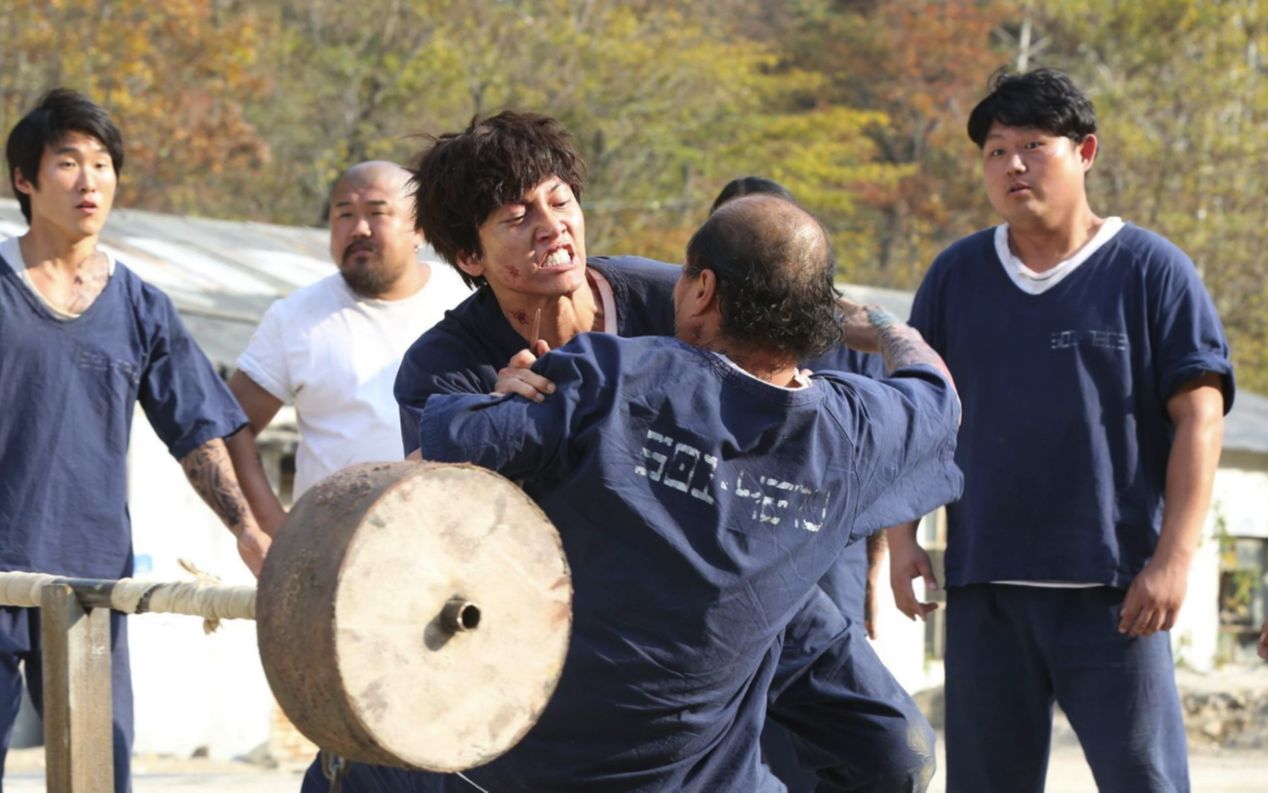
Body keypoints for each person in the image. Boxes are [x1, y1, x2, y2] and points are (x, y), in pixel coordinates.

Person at [378, 112, 939, 792]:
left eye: (560, 200)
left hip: (748, 588)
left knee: (899, 754)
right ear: (470, 256)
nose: (552, 224)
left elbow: (781, 299)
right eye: (516, 216)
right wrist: (488, 423)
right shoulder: (444, 370)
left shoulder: (659, 291)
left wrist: (862, 323)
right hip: (583, 622)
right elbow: (445, 521)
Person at [888, 68, 1233, 793]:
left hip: (1116, 590)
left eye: (1033, 145)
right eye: (994, 150)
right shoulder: (956, 275)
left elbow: (1201, 415)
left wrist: (1174, 558)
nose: (1012, 164)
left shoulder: (1152, 271)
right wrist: (901, 538)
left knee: (1147, 779)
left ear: (1086, 152)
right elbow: (914, 413)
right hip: (986, 586)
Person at [0, 89, 268, 792]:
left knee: (94, 772)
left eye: (102, 163)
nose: (90, 181)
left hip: (89, 580)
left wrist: (245, 528)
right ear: (24, 180)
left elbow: (196, 430)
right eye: (67, 163)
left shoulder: (140, 304)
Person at [711, 176, 915, 793]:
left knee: (834, 734)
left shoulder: (838, 333)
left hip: (830, 561)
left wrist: (873, 572)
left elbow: (876, 471)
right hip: (733, 567)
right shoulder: (697, 326)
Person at [225, 161, 469, 532]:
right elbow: (229, 425)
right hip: (332, 553)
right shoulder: (296, 317)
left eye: (377, 213)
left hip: (456, 545)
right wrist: (274, 532)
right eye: (344, 214)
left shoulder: (468, 302)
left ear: (419, 227)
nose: (358, 229)